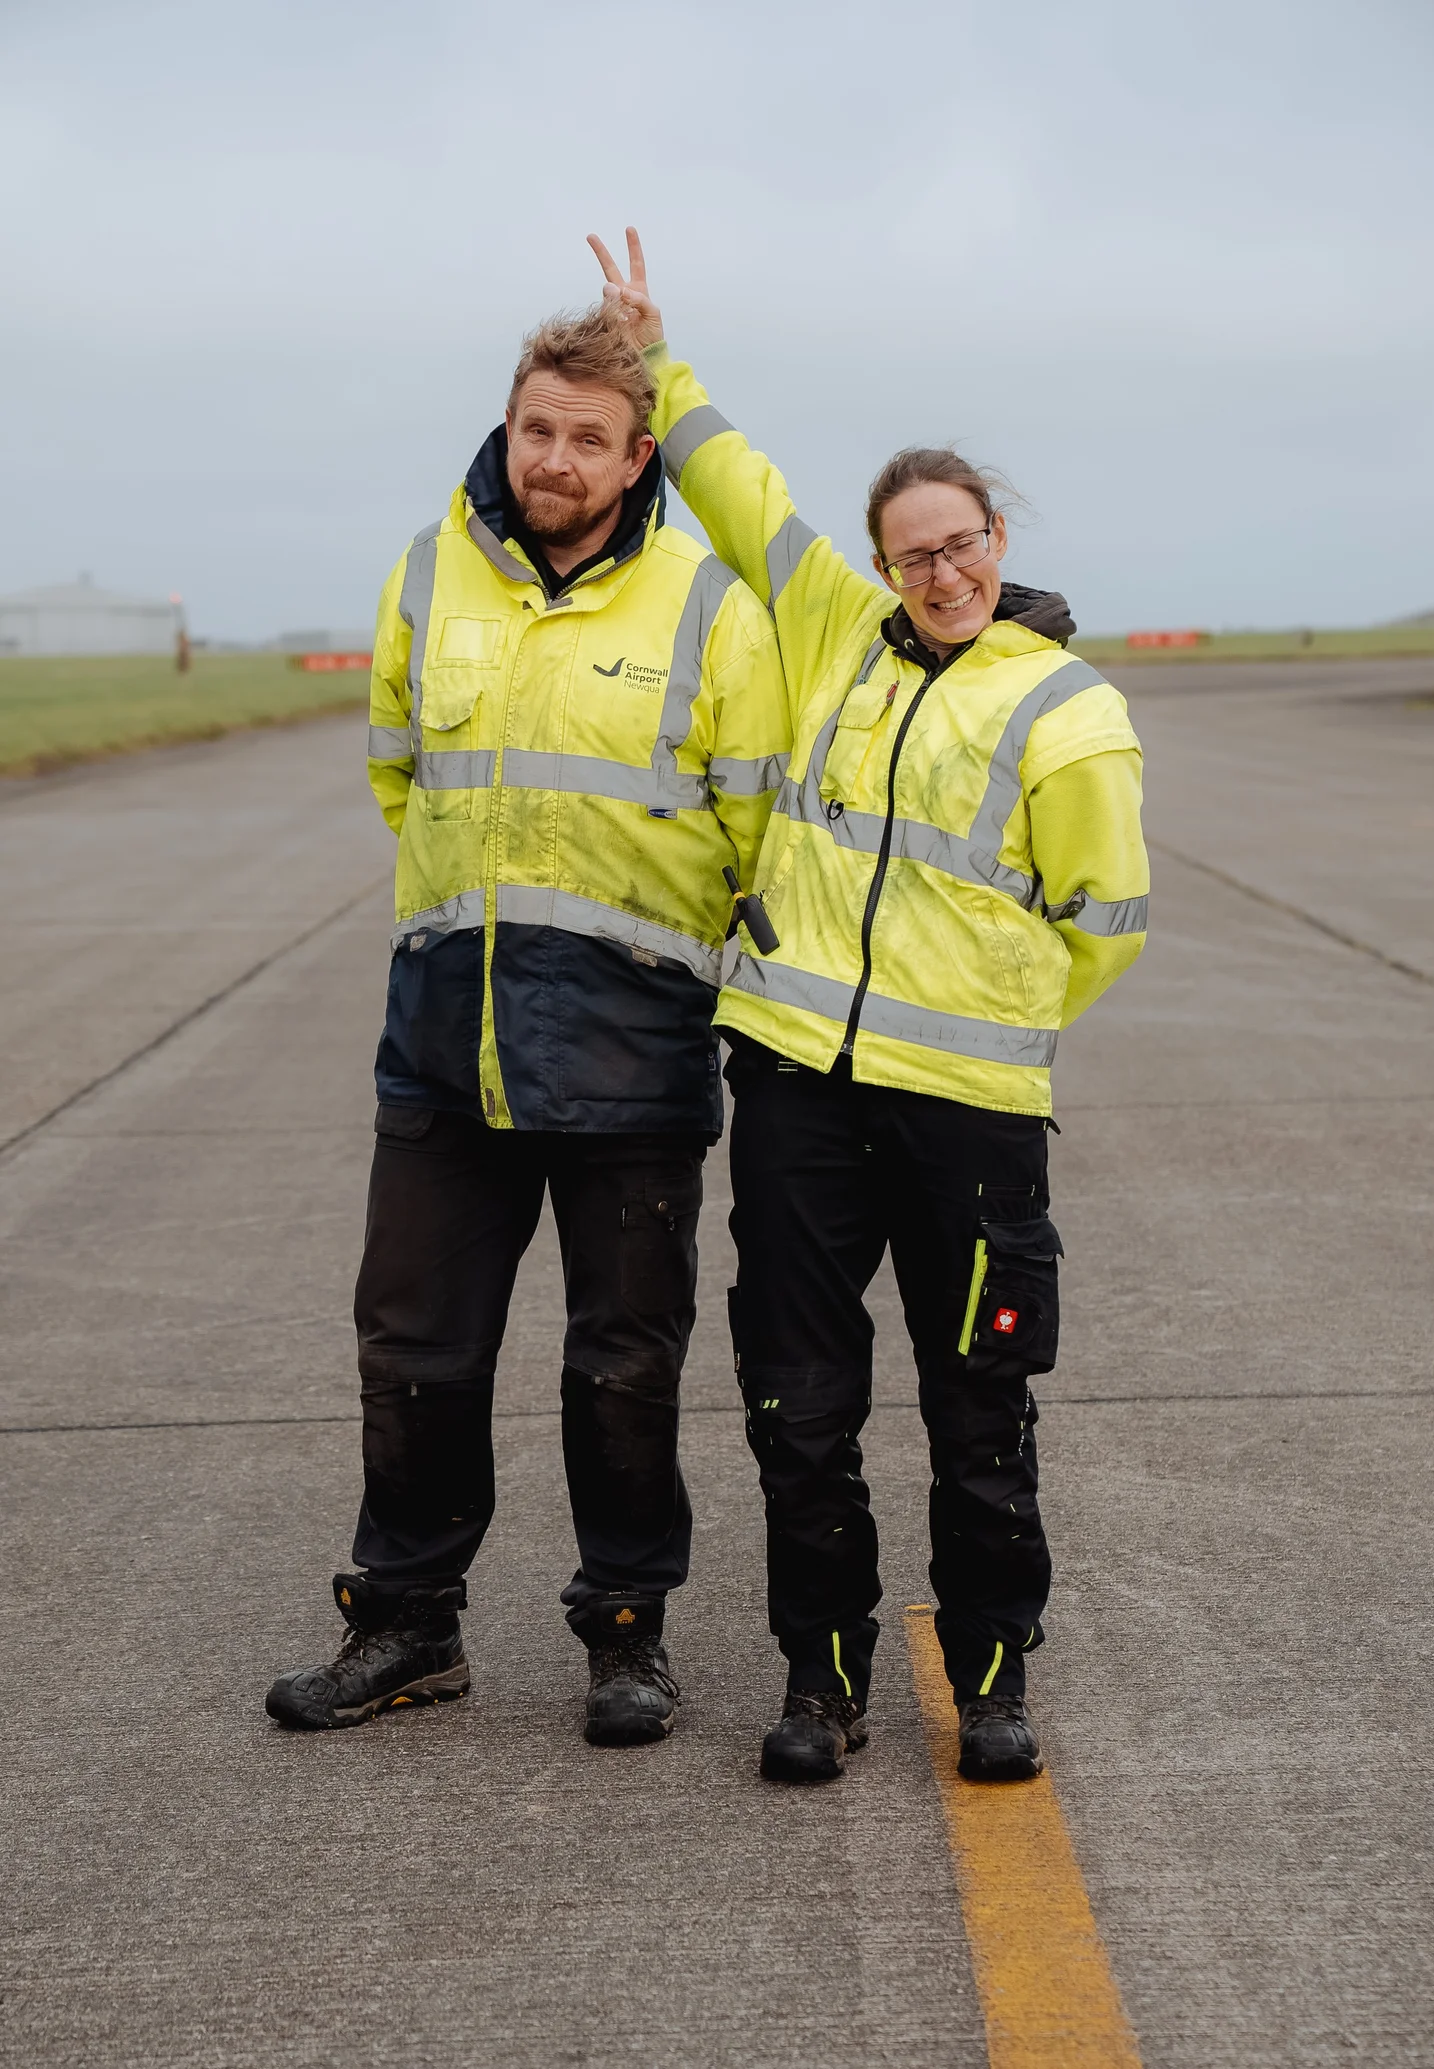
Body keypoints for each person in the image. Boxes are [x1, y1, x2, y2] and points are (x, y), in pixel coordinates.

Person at [592, 231, 1148, 1785]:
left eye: (960, 542)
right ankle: (820, 1680)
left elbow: (1105, 926)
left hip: (968, 1113)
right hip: (795, 1094)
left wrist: (989, 1019)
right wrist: (654, 362)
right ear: (880, 562)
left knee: (980, 1406)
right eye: (911, 553)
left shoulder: (1067, 708)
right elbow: (736, 486)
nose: (942, 572)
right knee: (799, 1404)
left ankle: (991, 1684)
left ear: (998, 535)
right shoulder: (837, 633)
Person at [265, 306, 789, 1745]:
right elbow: (398, 772)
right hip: (445, 1036)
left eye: (588, 439)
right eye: (536, 429)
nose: (554, 459)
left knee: (623, 1361)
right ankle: (408, 1626)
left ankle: (627, 1633)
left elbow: (754, 825)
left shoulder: (706, 603)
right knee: (416, 1349)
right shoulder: (431, 572)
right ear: (509, 426)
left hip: (634, 1049)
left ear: (635, 461)